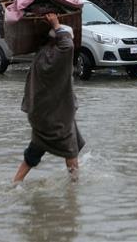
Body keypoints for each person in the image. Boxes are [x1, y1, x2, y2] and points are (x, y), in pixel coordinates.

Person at [13, 13, 85, 183]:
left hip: (42, 116)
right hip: (56, 118)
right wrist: (56, 23)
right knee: (70, 148)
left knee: (36, 150)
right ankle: (74, 188)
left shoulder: (42, 55)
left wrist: (54, 27)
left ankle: (16, 182)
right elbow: (67, 46)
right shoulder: (60, 57)